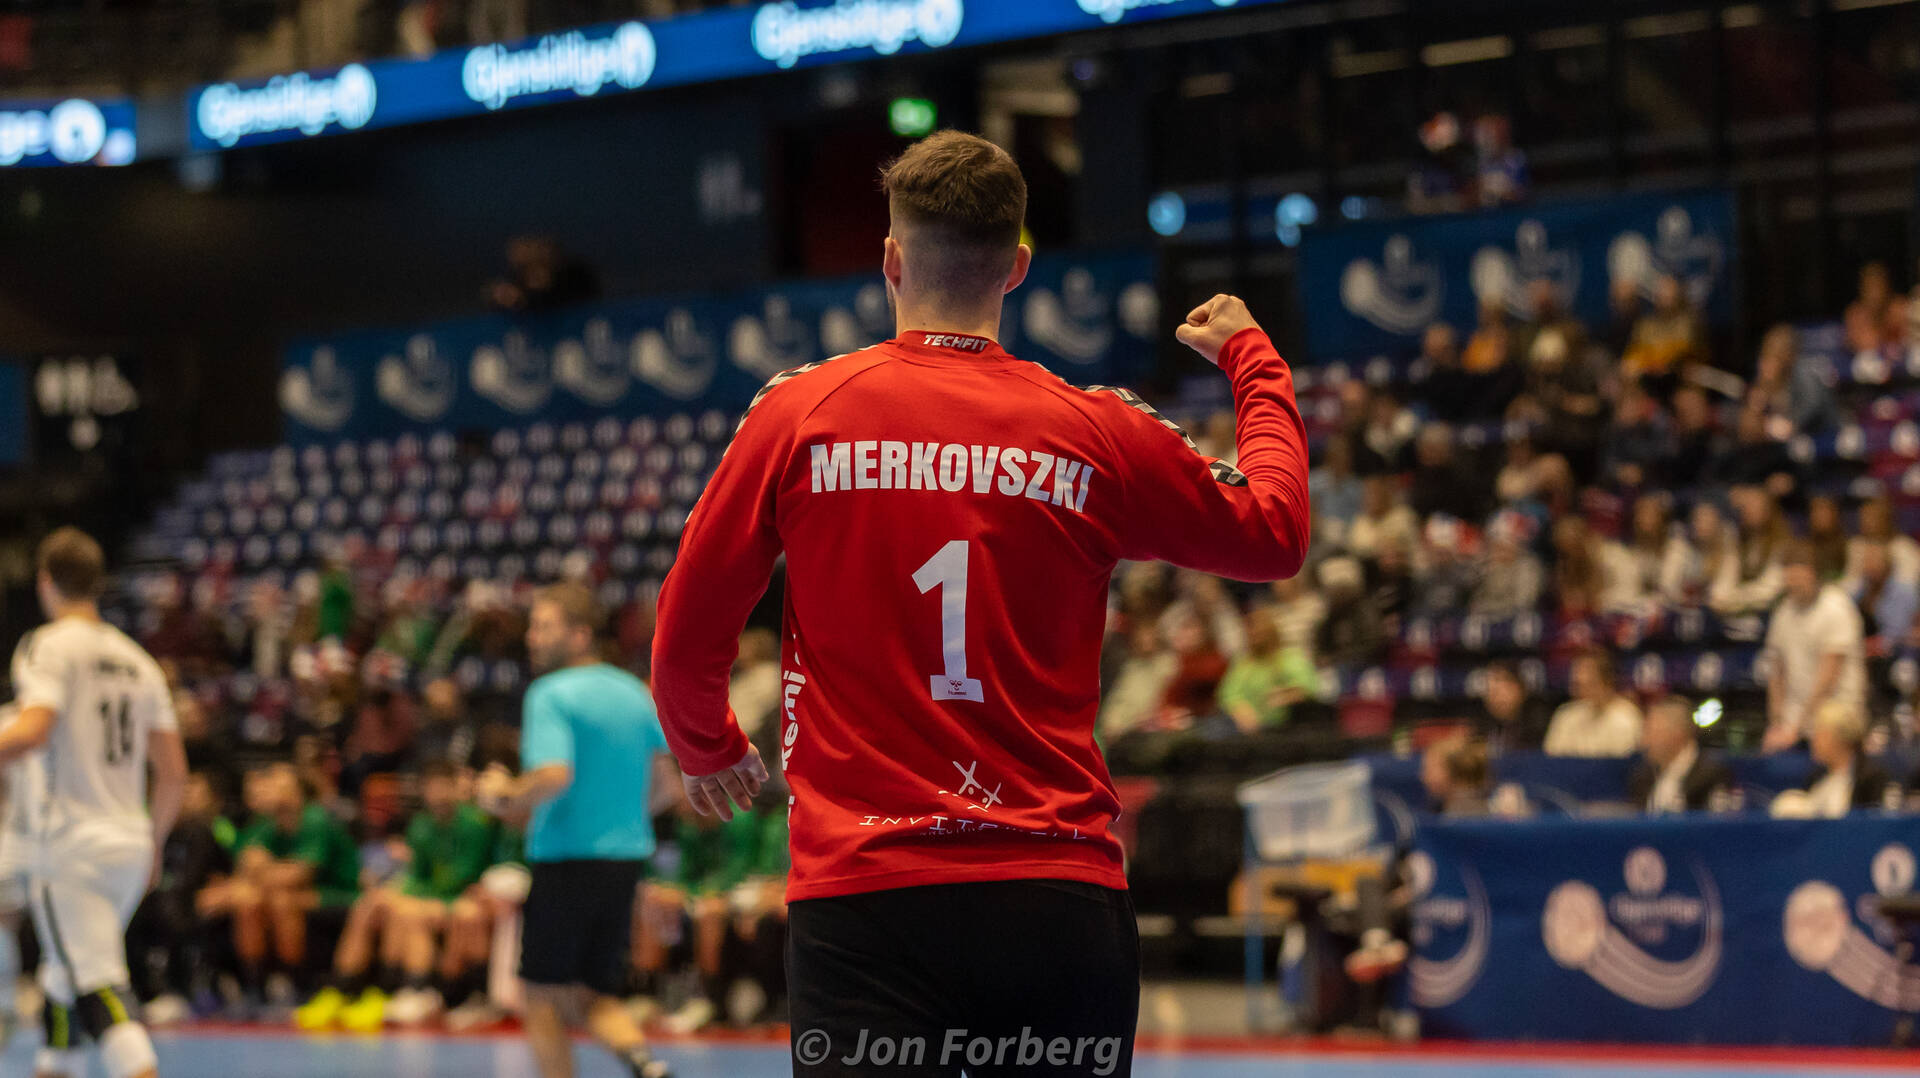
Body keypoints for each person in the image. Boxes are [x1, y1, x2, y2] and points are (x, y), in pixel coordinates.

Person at [651, 131, 1310, 1078]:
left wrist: (707, 743)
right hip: (1056, 893)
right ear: (1018, 268)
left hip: (865, 898)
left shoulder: (800, 413)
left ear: (889, 260)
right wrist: (1252, 359)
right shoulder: (1097, 431)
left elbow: (689, 621)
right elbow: (1277, 530)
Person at [0, 528, 187, 1078]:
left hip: (72, 848)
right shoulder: (138, 661)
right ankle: (55, 1065)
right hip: (128, 846)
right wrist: (154, 842)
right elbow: (173, 772)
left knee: (97, 984)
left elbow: (34, 730)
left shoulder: (49, 645)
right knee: (65, 973)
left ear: (45, 583)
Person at [475, 583, 671, 1078]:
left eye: (544, 626)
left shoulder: (551, 693)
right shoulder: (635, 693)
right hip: (624, 862)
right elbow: (671, 782)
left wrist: (500, 795)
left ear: (581, 635)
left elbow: (552, 776)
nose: (532, 637)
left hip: (566, 861)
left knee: (540, 996)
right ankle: (644, 1063)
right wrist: (624, 819)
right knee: (596, 995)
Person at [294, 761, 496, 1031]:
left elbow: (462, 878)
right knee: (371, 903)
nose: (437, 794)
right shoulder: (421, 825)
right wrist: (394, 893)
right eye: (432, 787)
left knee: (405, 911)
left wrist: (411, 897)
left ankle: (406, 991)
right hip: (429, 898)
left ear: (456, 789)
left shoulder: (473, 824)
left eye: (444, 787)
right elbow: (416, 875)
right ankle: (341, 990)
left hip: (460, 898)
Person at [220, 763, 360, 1014]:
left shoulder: (316, 818)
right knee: (248, 900)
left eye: (278, 785)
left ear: (297, 792)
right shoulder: (265, 824)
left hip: (338, 893)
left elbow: (300, 875)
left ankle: (294, 986)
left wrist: (264, 872)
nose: (267, 789)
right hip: (288, 893)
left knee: (281, 901)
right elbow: (247, 867)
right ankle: (256, 988)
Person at [1763, 541, 1868, 752]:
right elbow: (1776, 672)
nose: (1793, 585)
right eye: (1789, 579)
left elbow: (1828, 680)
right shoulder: (1784, 611)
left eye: (1798, 579)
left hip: (1837, 717)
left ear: (1813, 574)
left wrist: (1798, 729)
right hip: (1795, 719)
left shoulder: (1836, 608)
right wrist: (1777, 724)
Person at [1771, 701, 1892, 818]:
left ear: (1840, 738)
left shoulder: (1870, 777)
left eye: (1820, 735)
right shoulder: (1815, 777)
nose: (1814, 742)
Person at [1627, 697, 1731, 814]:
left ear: (1677, 734)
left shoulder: (1711, 776)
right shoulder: (1643, 776)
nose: (1644, 741)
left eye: (1651, 732)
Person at [1543, 648, 1642, 758]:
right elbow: (1552, 761)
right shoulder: (1566, 715)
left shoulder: (1626, 718)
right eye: (1576, 683)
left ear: (1606, 681)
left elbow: (1623, 766)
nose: (1576, 690)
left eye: (1588, 683)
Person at [1474, 661, 1551, 754]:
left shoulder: (1540, 723)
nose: (1494, 698)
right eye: (1489, 691)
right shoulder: (1484, 726)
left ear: (1521, 688)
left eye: (1500, 690)